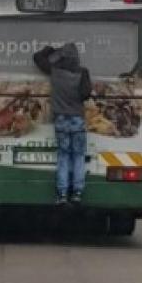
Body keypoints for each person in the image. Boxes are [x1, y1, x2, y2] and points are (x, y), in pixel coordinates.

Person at [34, 43, 92, 205]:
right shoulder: (83, 72)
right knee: (78, 156)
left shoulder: (55, 71)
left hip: (61, 120)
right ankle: (77, 192)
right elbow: (86, 94)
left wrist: (49, 50)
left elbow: (37, 58)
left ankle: (62, 194)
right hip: (77, 119)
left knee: (63, 157)